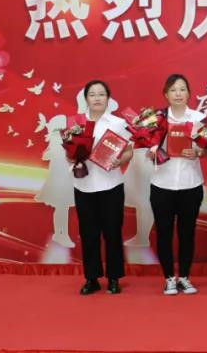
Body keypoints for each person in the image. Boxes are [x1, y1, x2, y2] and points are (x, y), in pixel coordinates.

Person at [72, 80, 133, 295]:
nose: (97, 98)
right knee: (88, 234)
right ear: (86, 99)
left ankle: (114, 278)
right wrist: (73, 156)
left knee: (112, 232)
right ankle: (92, 278)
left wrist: (120, 160)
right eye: (92, 94)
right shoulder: (76, 124)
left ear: (108, 98)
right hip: (84, 186)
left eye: (101, 94)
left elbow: (129, 151)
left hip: (111, 185)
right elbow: (68, 154)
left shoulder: (118, 123)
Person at [149, 74, 206, 295]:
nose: (178, 94)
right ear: (166, 94)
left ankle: (184, 276)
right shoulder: (157, 119)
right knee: (163, 233)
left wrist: (198, 152)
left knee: (187, 233)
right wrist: (152, 152)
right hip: (162, 184)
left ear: (189, 93)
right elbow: (147, 146)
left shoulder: (199, 118)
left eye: (182, 89)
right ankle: (168, 278)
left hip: (190, 184)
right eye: (173, 90)